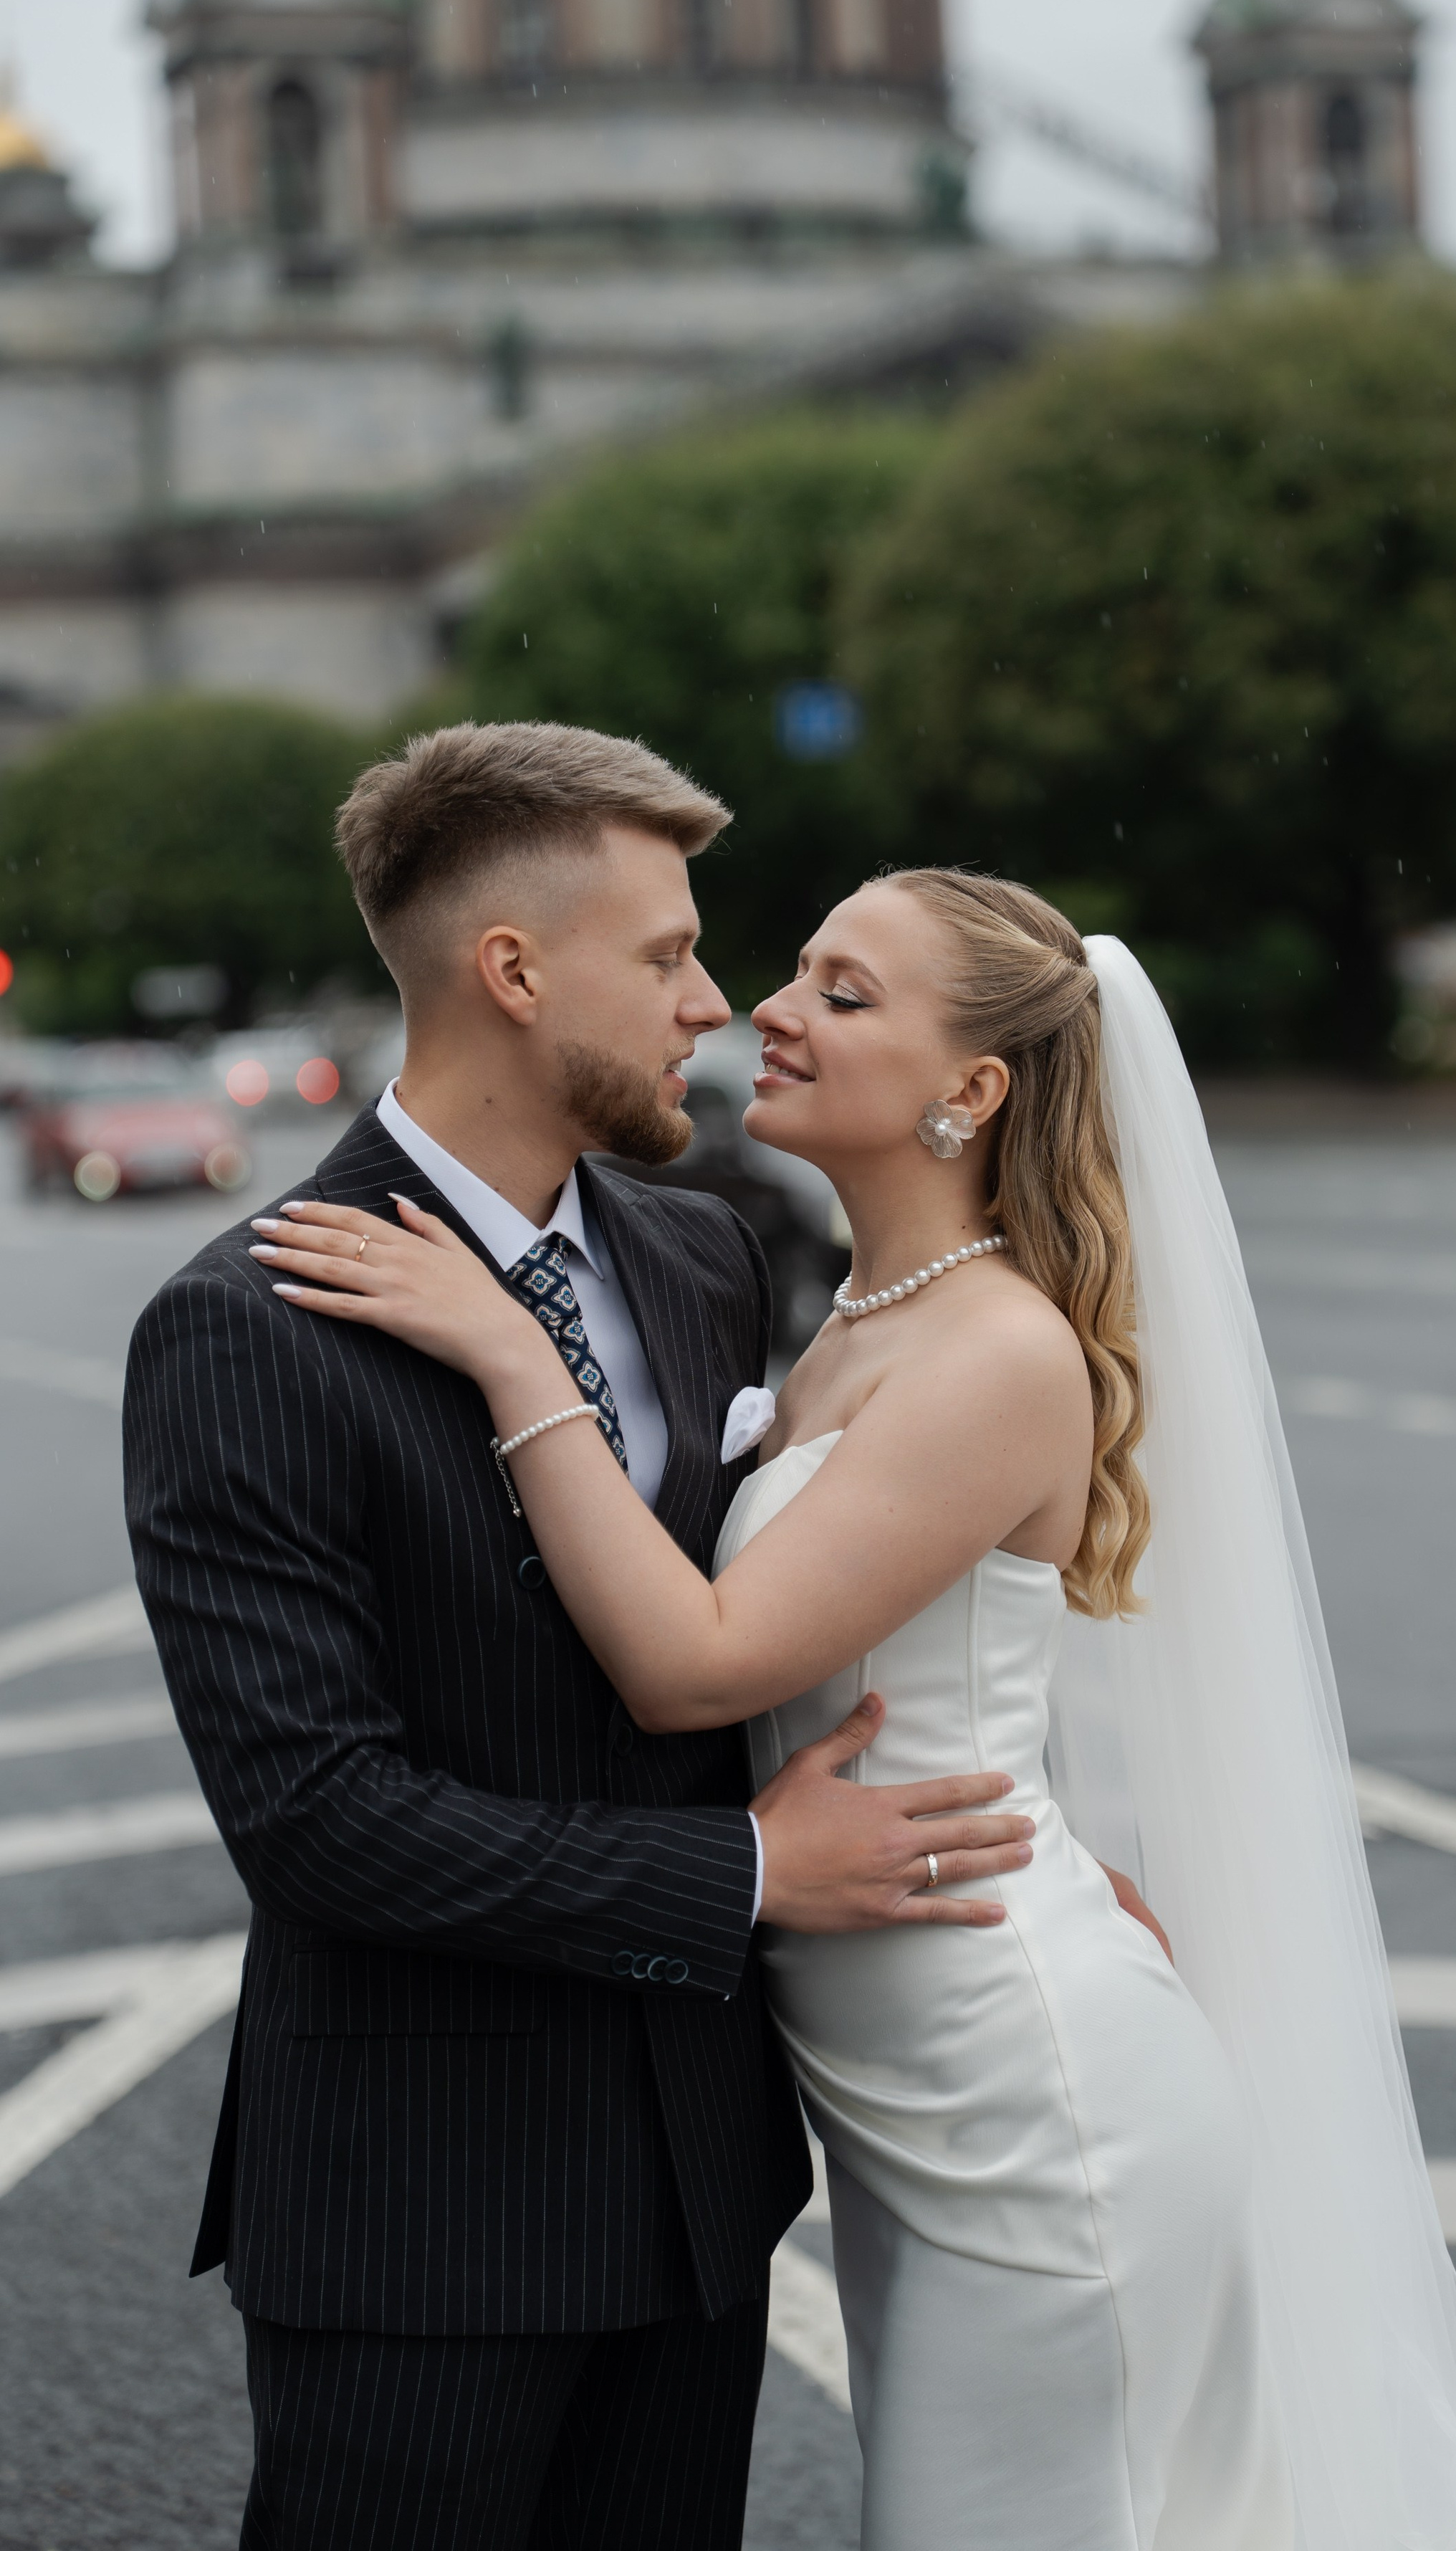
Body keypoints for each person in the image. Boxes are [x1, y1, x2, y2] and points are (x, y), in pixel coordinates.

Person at [250, 864, 1456, 2551]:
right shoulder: (854, 1317)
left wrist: (511, 1363)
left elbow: (700, 1662)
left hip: (1023, 2108)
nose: (767, 1010)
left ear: (971, 1088)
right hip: (914, 2094)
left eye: (844, 994)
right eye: (793, 974)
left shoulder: (1000, 1354)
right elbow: (939, 1664)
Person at [123, 728, 1037, 2551]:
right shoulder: (245, 1326)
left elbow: (825, 1608)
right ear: (514, 972)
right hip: (419, 2213)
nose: (714, 1001)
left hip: (702, 2189)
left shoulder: (699, 1254)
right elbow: (317, 1819)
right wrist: (745, 1874)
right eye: (667, 955)